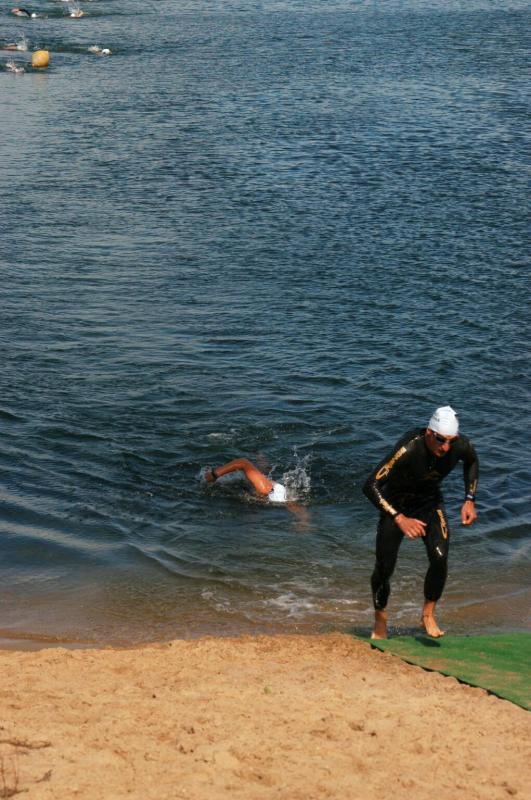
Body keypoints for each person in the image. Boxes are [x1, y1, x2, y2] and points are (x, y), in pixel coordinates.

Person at [363, 406, 478, 639]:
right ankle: (380, 619)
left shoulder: (460, 445)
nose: (446, 447)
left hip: (429, 504)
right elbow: (370, 485)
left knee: (440, 558)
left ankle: (427, 614)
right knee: (384, 567)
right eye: (440, 440)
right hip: (396, 506)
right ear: (429, 433)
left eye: (451, 441)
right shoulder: (409, 448)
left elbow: (472, 461)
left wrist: (469, 499)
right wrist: (399, 518)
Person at [205, 458, 287, 503]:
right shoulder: (264, 489)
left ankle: (260, 457)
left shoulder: (264, 491)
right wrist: (214, 475)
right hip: (272, 492)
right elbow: (243, 463)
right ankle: (260, 456)